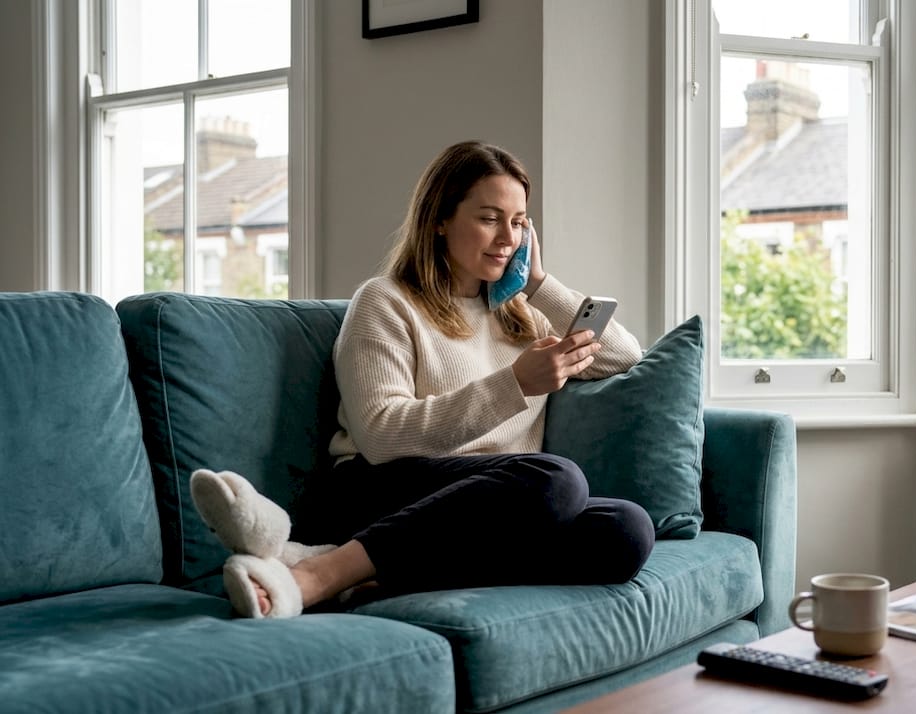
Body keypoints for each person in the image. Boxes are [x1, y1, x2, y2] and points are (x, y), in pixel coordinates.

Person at [192, 140, 656, 618]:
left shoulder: (524, 316)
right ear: (440, 220)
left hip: (492, 504)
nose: (507, 238)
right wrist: (514, 384)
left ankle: (359, 566)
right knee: (555, 479)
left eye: (519, 222)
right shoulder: (385, 301)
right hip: (382, 487)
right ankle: (317, 577)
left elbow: (623, 355)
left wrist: (537, 284)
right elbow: (380, 436)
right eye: (489, 218)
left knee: (625, 529)